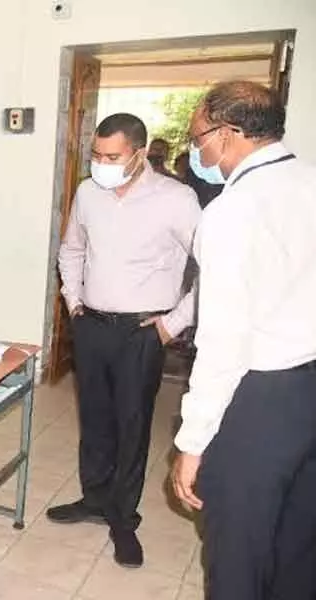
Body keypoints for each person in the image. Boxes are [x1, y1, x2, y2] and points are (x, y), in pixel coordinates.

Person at [171, 81, 316, 600]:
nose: (197, 152)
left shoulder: (234, 210)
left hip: (261, 399)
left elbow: (224, 342)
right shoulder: (310, 182)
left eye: (199, 138)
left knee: (239, 551)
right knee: (300, 545)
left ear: (229, 134)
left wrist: (192, 442)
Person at [50, 113, 200, 568]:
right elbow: (71, 249)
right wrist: (73, 302)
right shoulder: (88, 192)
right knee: (94, 419)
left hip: (141, 332)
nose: (101, 164)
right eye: (96, 155)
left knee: (132, 425)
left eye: (111, 156)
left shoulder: (176, 199)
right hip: (91, 324)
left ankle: (122, 516)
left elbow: (215, 267)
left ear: (139, 152)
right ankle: (94, 499)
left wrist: (173, 322)